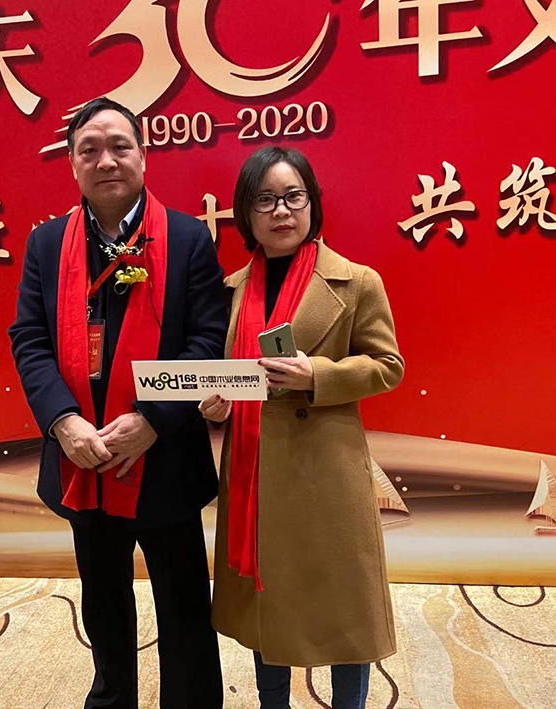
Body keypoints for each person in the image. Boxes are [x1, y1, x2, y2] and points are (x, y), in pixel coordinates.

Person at [9, 97, 226, 709]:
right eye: (90, 150)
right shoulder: (47, 244)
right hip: (84, 458)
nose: (106, 160)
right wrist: (63, 422)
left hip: (165, 459)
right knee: (103, 605)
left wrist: (153, 420)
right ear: (72, 163)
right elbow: (29, 339)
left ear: (143, 156)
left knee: (184, 606)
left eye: (119, 146)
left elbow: (209, 340)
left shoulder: (187, 238)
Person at [199, 147, 405, 709]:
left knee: (344, 607)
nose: (281, 211)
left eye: (293, 196)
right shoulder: (231, 290)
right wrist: (215, 404)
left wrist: (319, 375)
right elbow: (226, 374)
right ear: (246, 213)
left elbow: (388, 366)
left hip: (326, 471)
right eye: (264, 200)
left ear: (312, 203)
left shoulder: (356, 282)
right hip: (254, 473)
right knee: (268, 606)